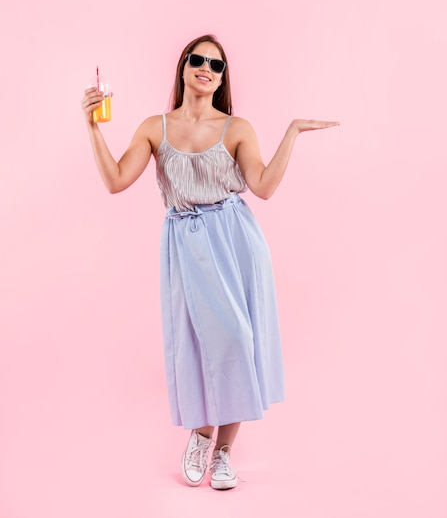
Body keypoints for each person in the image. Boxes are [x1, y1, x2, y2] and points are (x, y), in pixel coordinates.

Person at [81, 34, 339, 490]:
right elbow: (117, 180)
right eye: (198, 60)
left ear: (222, 78)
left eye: (216, 65)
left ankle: (219, 448)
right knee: (198, 343)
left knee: (240, 338)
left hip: (235, 239)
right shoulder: (153, 127)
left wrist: (292, 132)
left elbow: (261, 187)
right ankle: (204, 439)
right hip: (186, 242)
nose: (206, 69)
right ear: (182, 67)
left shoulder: (237, 127)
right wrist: (93, 127)